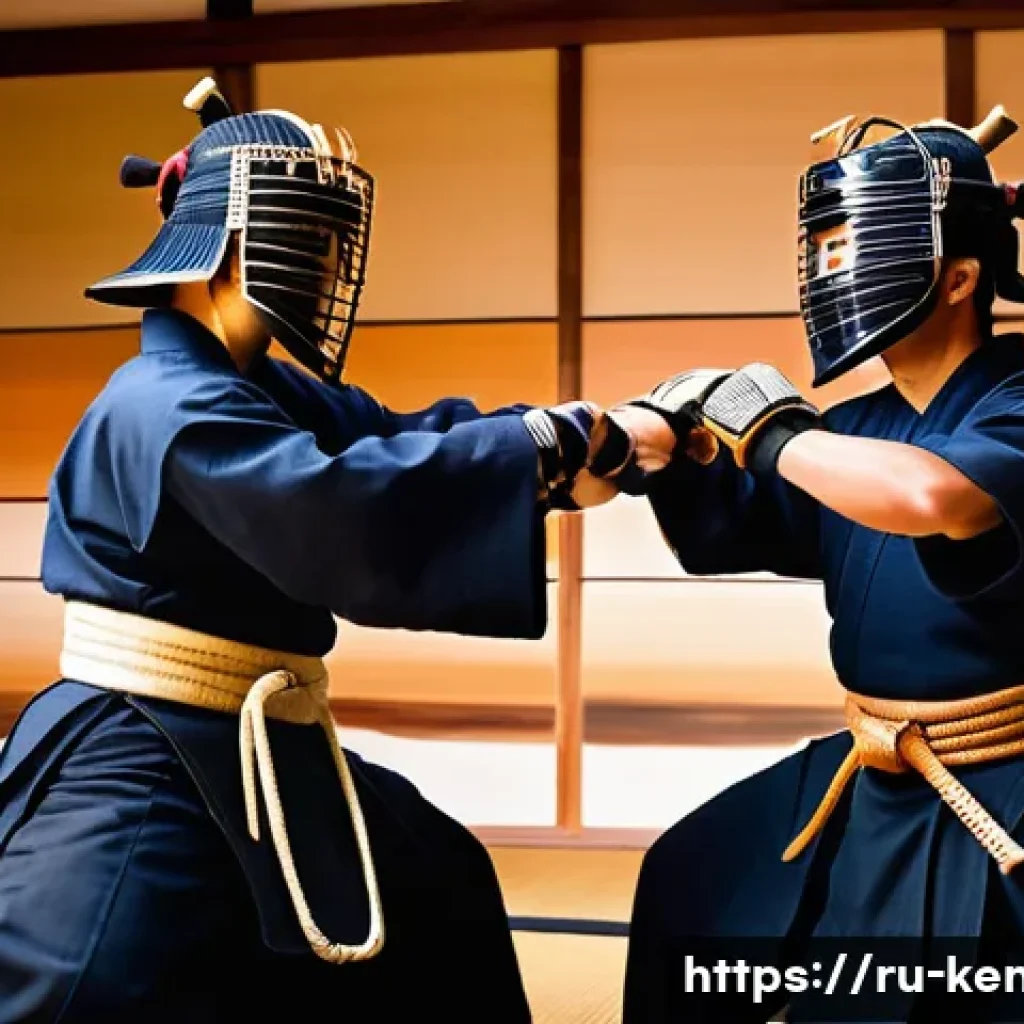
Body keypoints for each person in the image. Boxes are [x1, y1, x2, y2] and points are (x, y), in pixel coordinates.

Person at [0, 78, 645, 1022]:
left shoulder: (266, 387)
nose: (330, 265)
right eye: (310, 240)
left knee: (441, 884)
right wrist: (546, 447)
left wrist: (576, 444)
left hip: (271, 741)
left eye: (336, 245)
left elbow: (403, 445)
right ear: (222, 246)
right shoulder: (160, 402)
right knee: (84, 972)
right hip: (148, 743)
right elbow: (342, 505)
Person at [601, 106, 1024, 1021]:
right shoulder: (861, 427)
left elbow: (933, 497)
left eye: (861, 246)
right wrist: (679, 457)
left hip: (1007, 778)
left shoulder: (1018, 395)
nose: (838, 270)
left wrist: (772, 431)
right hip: (876, 766)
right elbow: (742, 523)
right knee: (692, 885)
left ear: (958, 278)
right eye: (831, 248)